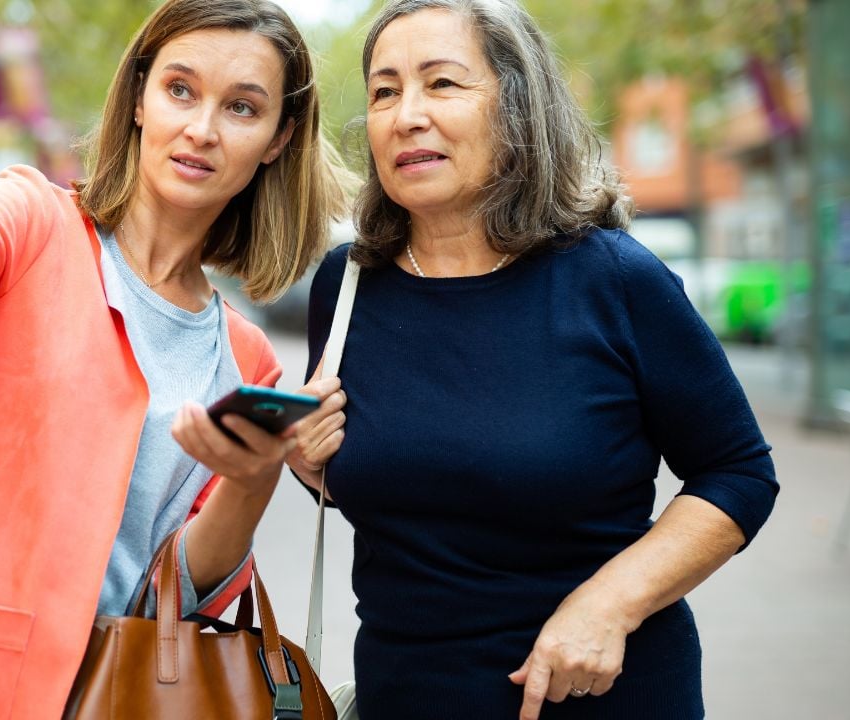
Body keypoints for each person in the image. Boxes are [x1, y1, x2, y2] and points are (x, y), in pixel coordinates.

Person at [0, 1, 347, 717]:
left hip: (105, 697)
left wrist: (253, 479)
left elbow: (175, 590)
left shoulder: (246, 359)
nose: (202, 129)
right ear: (140, 99)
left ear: (277, 139)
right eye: (180, 89)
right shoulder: (29, 222)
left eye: (242, 107)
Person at [287, 1, 779, 718]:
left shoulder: (614, 279)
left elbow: (738, 471)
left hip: (602, 696)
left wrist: (610, 603)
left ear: (518, 108)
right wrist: (312, 468)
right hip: (406, 695)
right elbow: (406, 486)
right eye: (385, 91)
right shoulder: (347, 285)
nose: (406, 115)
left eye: (442, 83)